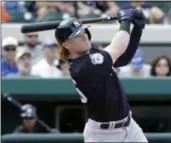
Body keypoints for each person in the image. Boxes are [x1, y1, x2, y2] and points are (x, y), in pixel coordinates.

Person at [55, 8, 147, 142]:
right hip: (103, 136)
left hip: (130, 127)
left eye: (83, 31)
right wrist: (125, 21)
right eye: (77, 35)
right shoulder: (81, 66)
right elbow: (118, 48)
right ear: (66, 44)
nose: (84, 36)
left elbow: (124, 57)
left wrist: (138, 28)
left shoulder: (92, 54)